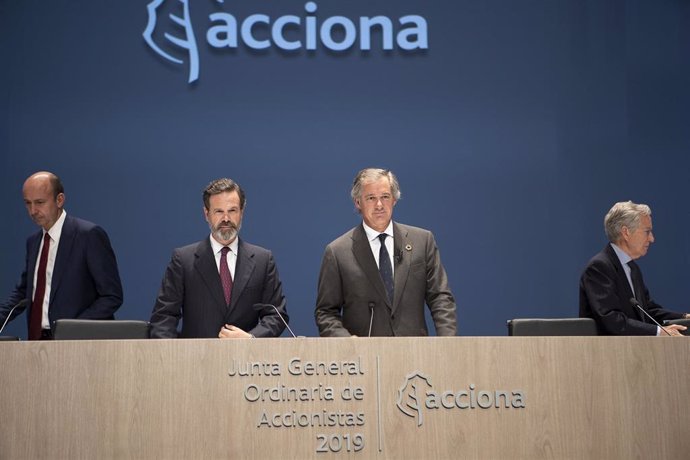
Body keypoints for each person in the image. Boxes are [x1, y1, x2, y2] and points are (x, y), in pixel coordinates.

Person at [315, 168, 457, 337]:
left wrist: (448, 343)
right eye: (371, 198)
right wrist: (347, 344)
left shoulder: (422, 241)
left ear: (394, 200)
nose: (379, 205)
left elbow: (440, 298)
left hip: (415, 355)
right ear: (358, 202)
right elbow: (326, 312)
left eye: (385, 197)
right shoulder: (338, 252)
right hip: (364, 357)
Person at [149, 178, 288, 338]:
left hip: (246, 360)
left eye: (232, 211)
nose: (226, 219)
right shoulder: (183, 260)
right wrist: (172, 357)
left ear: (242, 213)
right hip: (195, 360)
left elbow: (277, 315)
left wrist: (251, 339)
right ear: (206, 214)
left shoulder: (263, 260)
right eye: (219, 211)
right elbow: (163, 317)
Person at [0, 171, 123, 340]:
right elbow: (24, 293)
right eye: (27, 203)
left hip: (78, 342)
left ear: (59, 200)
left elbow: (111, 296)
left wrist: (73, 329)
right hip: (37, 341)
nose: (33, 211)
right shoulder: (33, 242)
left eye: (40, 202)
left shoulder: (88, 235)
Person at [579, 201, 689, 336]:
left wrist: (684, 317)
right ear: (626, 232)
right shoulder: (599, 267)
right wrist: (659, 332)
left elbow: (647, 311)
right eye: (647, 231)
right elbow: (611, 320)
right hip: (607, 353)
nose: (652, 238)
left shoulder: (632, 268)